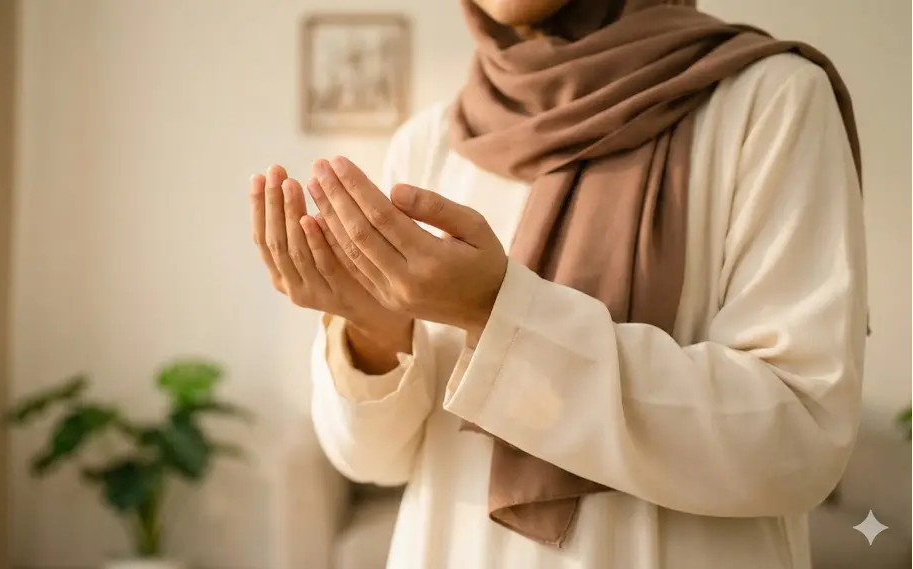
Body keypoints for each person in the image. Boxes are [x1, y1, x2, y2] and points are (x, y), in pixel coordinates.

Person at [249, 0, 868, 567]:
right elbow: (372, 460)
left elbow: (800, 440)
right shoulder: (434, 142)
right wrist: (374, 333)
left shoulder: (773, 100)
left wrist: (498, 313)